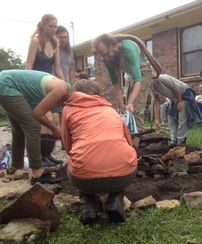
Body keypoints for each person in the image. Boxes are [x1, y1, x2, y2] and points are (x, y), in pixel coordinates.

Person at [61, 79, 137, 224]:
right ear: (97, 94)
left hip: (84, 178)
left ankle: (89, 204)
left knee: (76, 163)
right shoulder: (110, 110)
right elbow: (129, 142)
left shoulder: (68, 109)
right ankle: (115, 200)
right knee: (125, 159)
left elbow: (67, 145)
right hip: (123, 174)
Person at [0, 70, 71, 183]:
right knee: (32, 126)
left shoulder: (55, 88)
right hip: (7, 84)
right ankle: (37, 172)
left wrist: (55, 129)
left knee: (18, 130)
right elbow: (37, 114)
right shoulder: (62, 88)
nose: (59, 105)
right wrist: (55, 130)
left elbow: (36, 112)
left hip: (6, 84)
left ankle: (16, 166)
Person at [92, 33, 162, 132]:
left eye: (107, 53)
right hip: (129, 76)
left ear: (113, 45)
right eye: (103, 55)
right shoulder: (107, 58)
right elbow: (116, 84)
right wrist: (121, 103)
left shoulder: (128, 48)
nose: (106, 57)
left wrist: (131, 103)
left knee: (136, 110)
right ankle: (130, 139)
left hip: (143, 72)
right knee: (127, 111)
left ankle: (138, 141)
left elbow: (138, 80)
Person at [26, 14, 64, 167]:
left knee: (55, 120)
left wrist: (65, 85)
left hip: (51, 85)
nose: (54, 29)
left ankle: (48, 154)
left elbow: (58, 68)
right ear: (43, 25)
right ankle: (41, 157)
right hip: (37, 85)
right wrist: (28, 88)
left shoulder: (55, 44)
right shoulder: (36, 41)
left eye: (55, 26)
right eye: (51, 26)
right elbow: (28, 65)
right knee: (46, 120)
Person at [153, 74, 202, 146]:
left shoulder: (162, 78)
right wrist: (157, 119)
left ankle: (181, 141)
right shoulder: (151, 87)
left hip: (185, 94)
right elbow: (156, 101)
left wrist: (179, 102)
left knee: (181, 116)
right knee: (170, 115)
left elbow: (177, 87)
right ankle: (173, 140)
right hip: (175, 99)